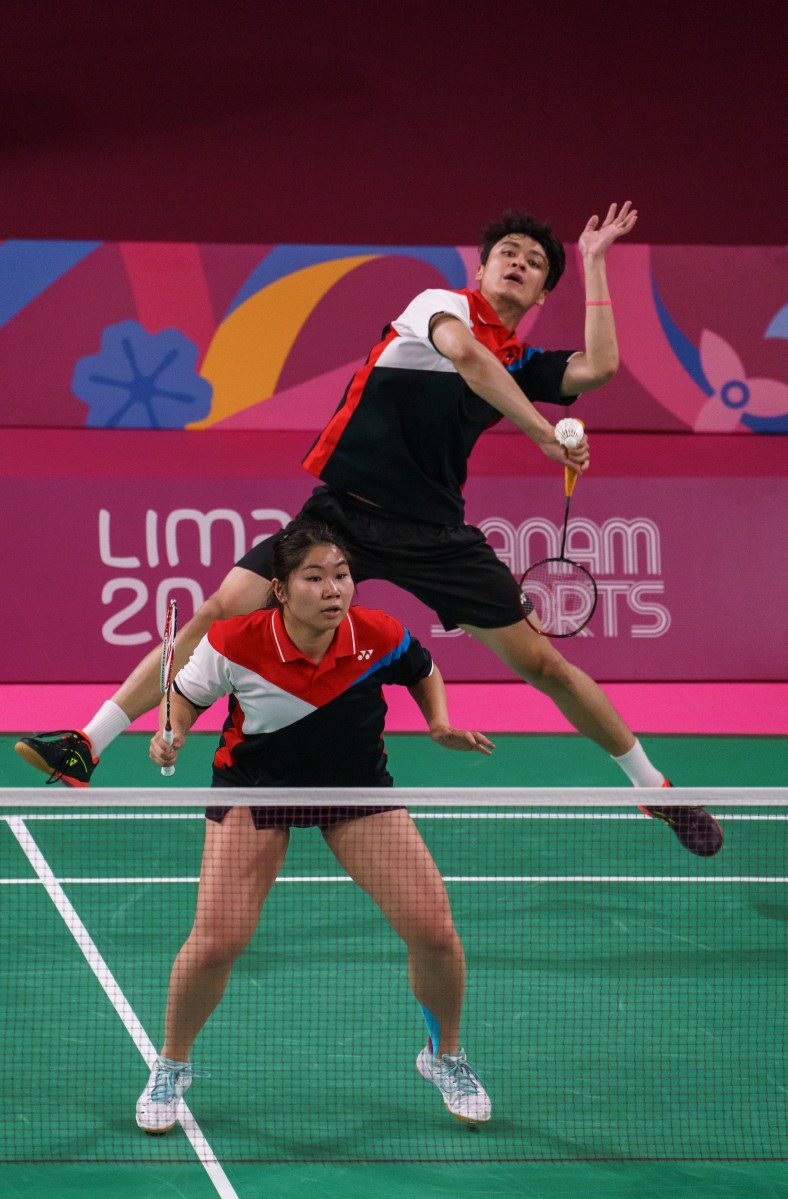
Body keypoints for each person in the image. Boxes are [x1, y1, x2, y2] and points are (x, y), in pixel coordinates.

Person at [16, 202, 722, 857]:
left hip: (435, 531)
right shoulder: (438, 307)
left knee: (543, 665)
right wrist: (541, 431)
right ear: (480, 268)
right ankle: (88, 742)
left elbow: (598, 367)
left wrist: (595, 260)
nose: (517, 262)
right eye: (506, 251)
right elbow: (469, 361)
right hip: (342, 515)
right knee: (219, 609)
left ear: (541, 294)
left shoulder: (520, 358)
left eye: (534, 262)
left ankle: (652, 788)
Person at [135, 524, 493, 1133]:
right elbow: (187, 698)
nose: (334, 590)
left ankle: (445, 1057)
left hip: (354, 791)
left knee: (434, 929)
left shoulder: (377, 632)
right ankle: (171, 1065)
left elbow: (423, 668)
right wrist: (169, 736)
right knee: (217, 942)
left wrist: (438, 721)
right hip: (255, 790)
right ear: (279, 589)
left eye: (342, 575)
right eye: (315, 577)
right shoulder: (235, 641)